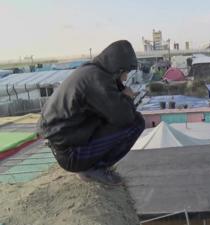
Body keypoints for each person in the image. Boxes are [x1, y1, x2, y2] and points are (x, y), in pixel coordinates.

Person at [38, 40, 145, 185]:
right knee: (136, 123)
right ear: (117, 67)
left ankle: (90, 166)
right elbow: (125, 117)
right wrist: (127, 97)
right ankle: (93, 169)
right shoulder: (97, 79)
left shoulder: (90, 71)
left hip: (65, 145)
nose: (125, 78)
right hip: (72, 156)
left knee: (114, 118)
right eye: (124, 72)